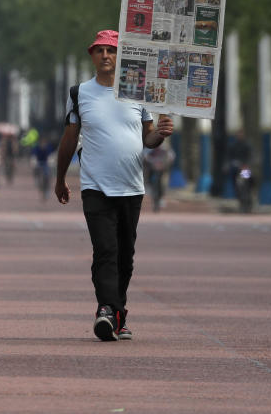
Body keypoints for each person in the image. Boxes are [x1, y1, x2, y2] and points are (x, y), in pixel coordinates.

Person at [54, 29, 173, 342]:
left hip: (131, 186)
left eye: (111, 50)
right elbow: (68, 139)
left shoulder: (141, 91)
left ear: (121, 57)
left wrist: (160, 134)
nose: (106, 56)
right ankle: (106, 310)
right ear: (92, 56)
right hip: (95, 185)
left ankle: (118, 314)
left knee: (125, 256)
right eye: (100, 50)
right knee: (105, 250)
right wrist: (60, 178)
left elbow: (148, 139)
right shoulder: (79, 93)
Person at [143, 144, 175, 212]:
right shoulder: (149, 148)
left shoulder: (165, 148)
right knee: (149, 181)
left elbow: (171, 157)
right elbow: (145, 156)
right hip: (151, 168)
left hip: (162, 168)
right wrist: (152, 162)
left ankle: (161, 197)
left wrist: (164, 163)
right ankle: (152, 192)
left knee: (163, 182)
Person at [30, 136, 57, 200]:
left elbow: (51, 155)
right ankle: (36, 179)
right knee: (35, 170)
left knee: (47, 175)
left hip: (46, 164)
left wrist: (51, 160)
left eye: (44, 142)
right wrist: (33, 160)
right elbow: (33, 155)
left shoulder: (49, 147)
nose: (43, 144)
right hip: (38, 163)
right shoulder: (36, 147)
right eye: (41, 142)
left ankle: (47, 190)